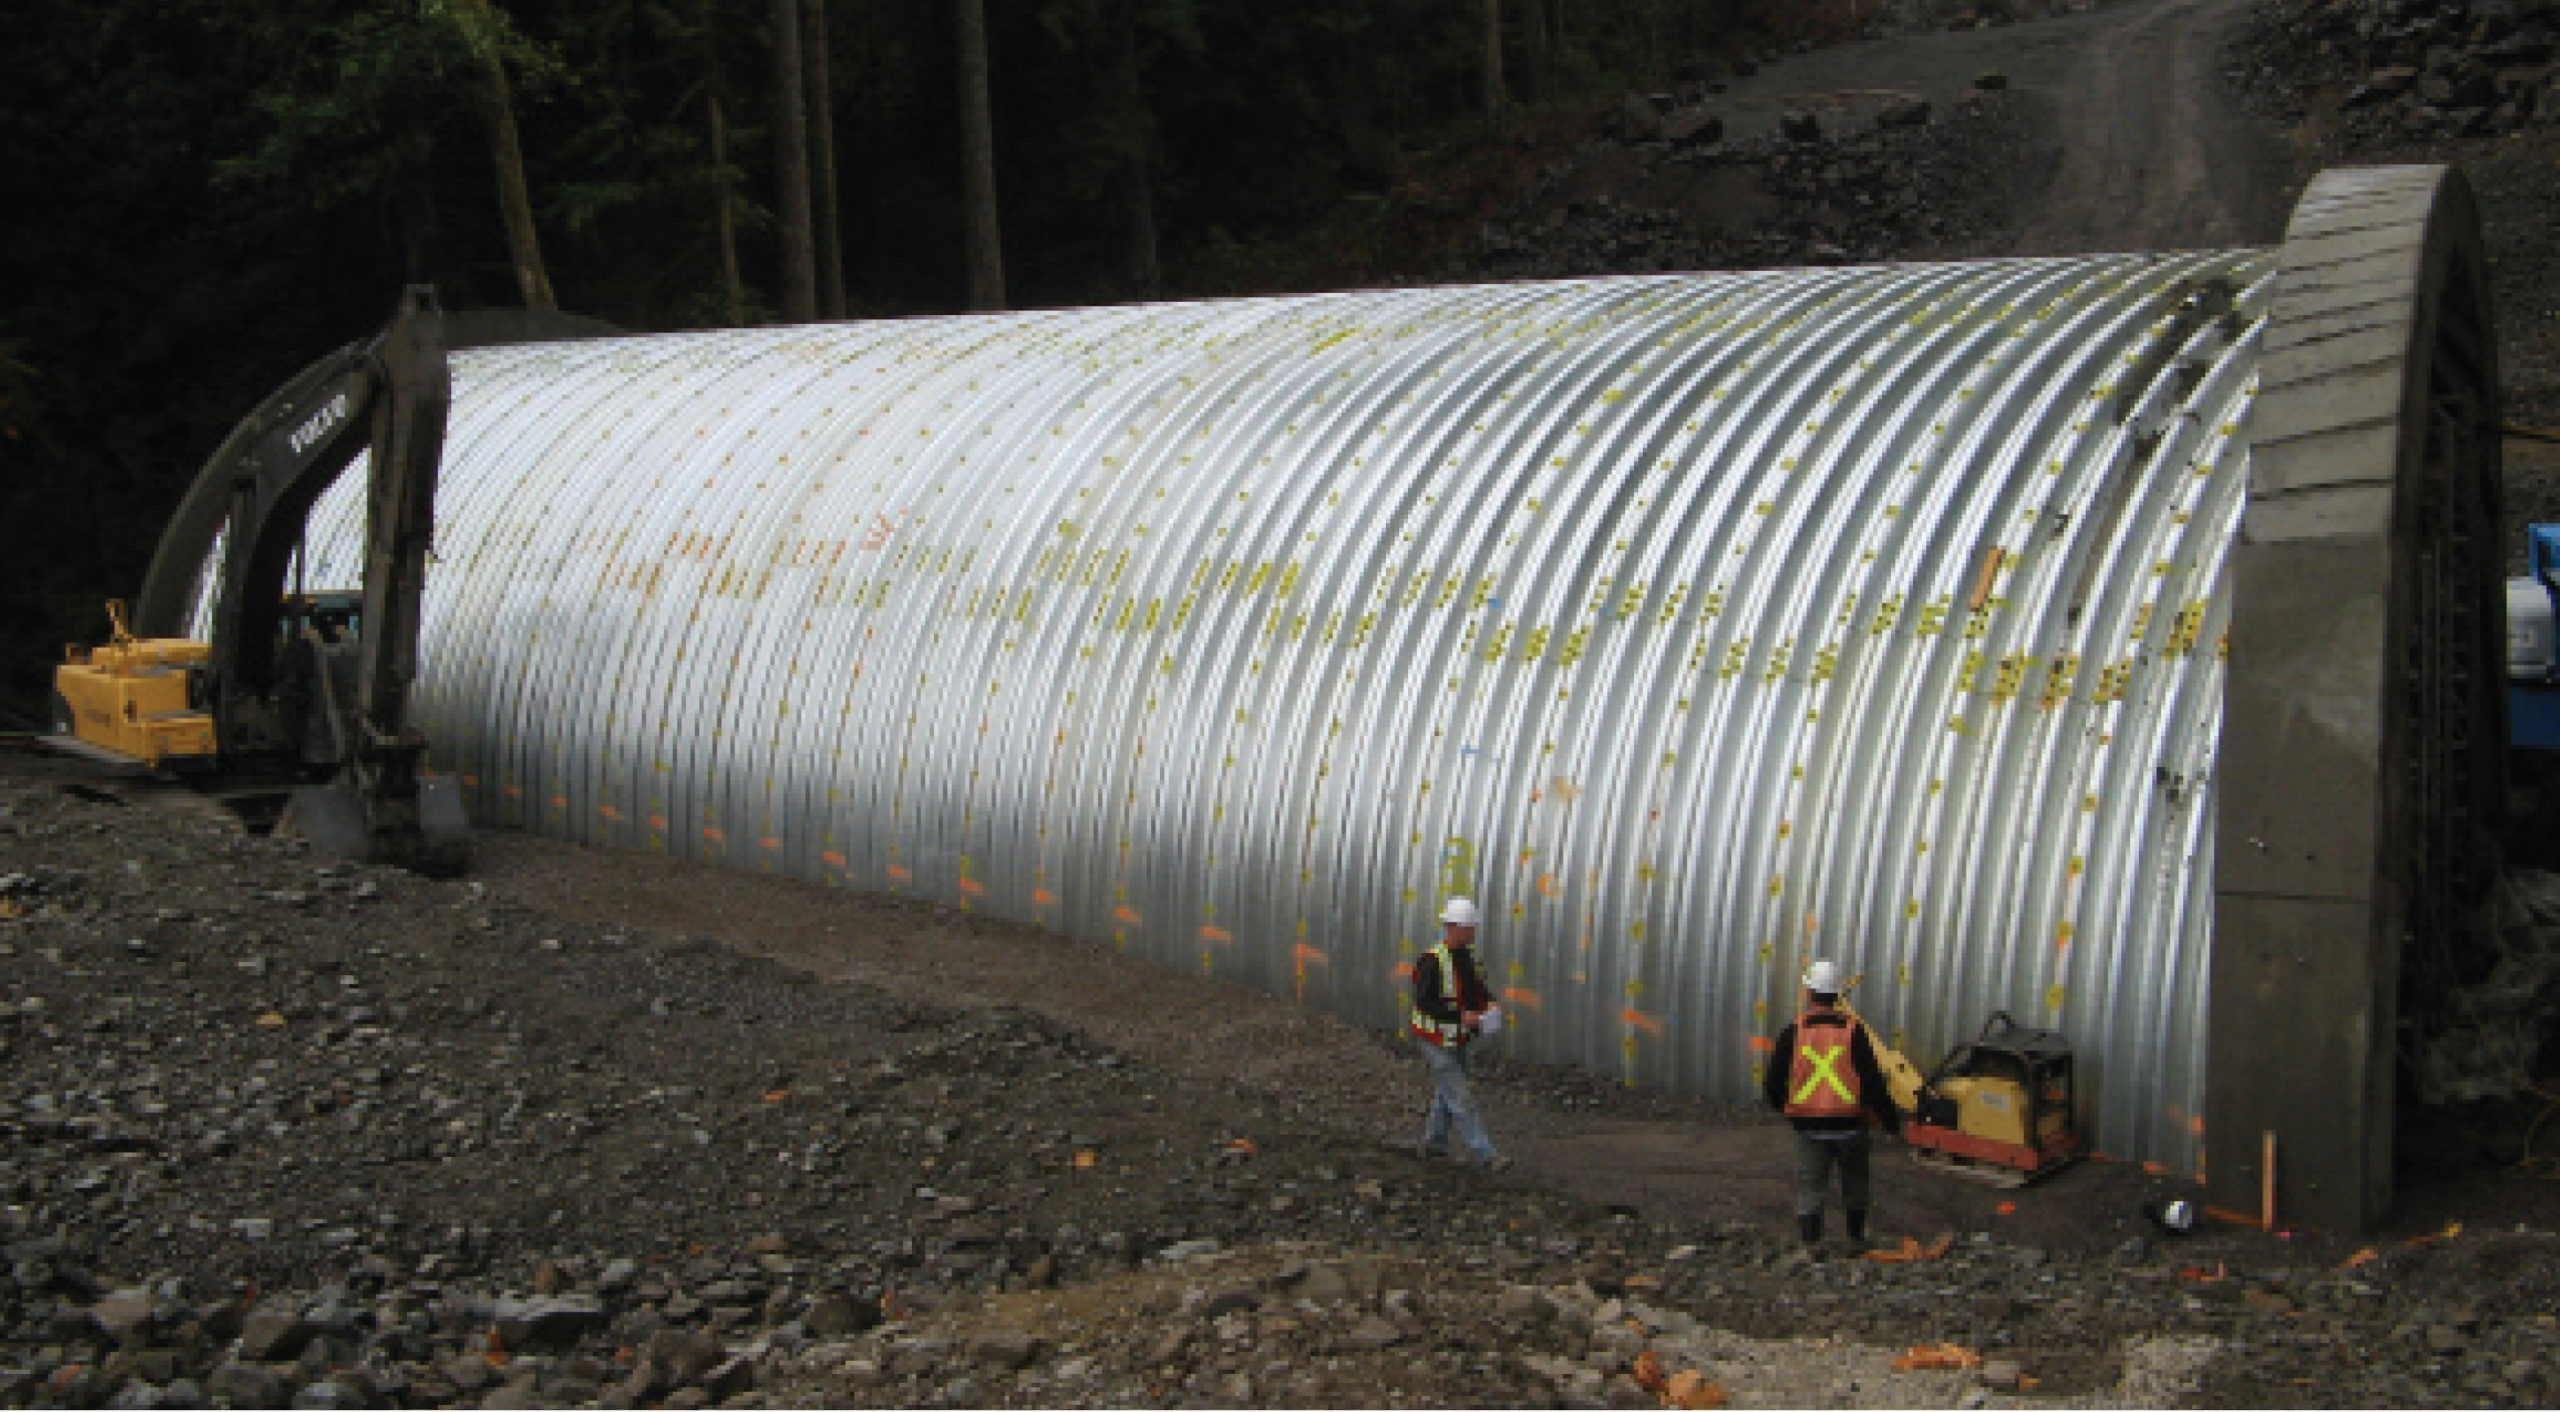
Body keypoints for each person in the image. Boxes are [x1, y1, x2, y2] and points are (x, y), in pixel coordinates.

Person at [1761, 959, 1901, 1247]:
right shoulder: (1853, 1031)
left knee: (1811, 1187)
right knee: (1855, 1185)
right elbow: (1873, 1080)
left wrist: (1782, 1106)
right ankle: (1856, 1238)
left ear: (1809, 994)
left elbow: (1774, 1079)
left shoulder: (1795, 1031)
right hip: (1850, 1125)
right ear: (1837, 995)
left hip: (1808, 1126)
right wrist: (1890, 1121)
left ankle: (1812, 1244)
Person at [1408, 896, 1512, 1172]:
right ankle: (1486, 1154)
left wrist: (1487, 1003)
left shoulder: (1467, 957)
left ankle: (1435, 1143)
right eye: (1469, 928)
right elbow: (1424, 1002)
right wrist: (1460, 1016)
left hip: (1456, 1036)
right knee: (1459, 1094)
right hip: (1435, 1038)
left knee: (1448, 1091)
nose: (1473, 933)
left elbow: (1476, 988)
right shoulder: (1432, 960)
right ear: (1453, 927)